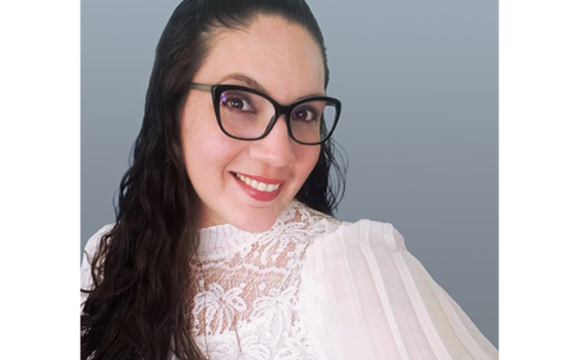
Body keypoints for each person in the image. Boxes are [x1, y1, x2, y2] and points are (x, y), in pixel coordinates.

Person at [81, 0, 498, 359]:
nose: (279, 154)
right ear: (172, 106)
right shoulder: (108, 257)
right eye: (240, 102)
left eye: (303, 113)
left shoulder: (344, 266)